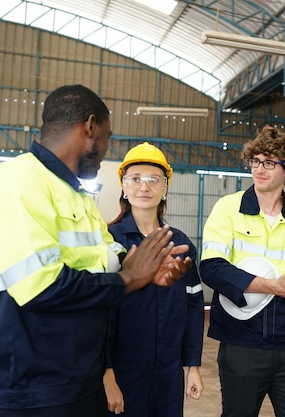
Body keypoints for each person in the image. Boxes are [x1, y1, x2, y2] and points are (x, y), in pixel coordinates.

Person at [0, 84, 191, 417]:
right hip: (32, 391)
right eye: (107, 136)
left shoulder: (77, 197)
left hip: (79, 382)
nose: (105, 150)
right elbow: (40, 287)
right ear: (89, 127)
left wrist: (145, 269)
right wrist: (130, 278)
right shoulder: (18, 181)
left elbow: (107, 259)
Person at [199, 125, 285, 417]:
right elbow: (211, 269)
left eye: (269, 163)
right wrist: (274, 285)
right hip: (240, 344)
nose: (259, 169)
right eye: (255, 161)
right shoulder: (228, 209)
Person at [103, 142, 205, 416]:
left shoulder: (180, 244)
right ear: (123, 187)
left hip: (168, 371)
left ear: (165, 188)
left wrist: (192, 365)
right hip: (124, 368)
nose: (144, 187)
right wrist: (107, 373)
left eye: (153, 180)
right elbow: (98, 312)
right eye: (134, 179)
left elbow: (194, 307)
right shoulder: (110, 241)